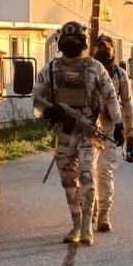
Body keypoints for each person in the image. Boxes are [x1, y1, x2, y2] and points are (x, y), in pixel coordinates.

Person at [33, 21, 123, 245]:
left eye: (75, 40)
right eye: (67, 40)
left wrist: (120, 124)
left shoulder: (95, 68)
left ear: (83, 43)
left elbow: (111, 96)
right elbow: (36, 97)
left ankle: (86, 227)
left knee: (87, 176)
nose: (71, 44)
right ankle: (75, 224)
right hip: (63, 134)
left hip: (88, 133)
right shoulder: (51, 69)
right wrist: (50, 110)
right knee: (68, 181)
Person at [91, 34, 133, 233]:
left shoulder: (120, 75)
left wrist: (130, 133)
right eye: (99, 47)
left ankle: (104, 212)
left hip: (110, 127)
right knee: (87, 171)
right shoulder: (87, 71)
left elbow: (128, 105)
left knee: (104, 170)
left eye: (106, 48)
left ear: (113, 51)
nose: (102, 51)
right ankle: (91, 204)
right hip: (89, 127)